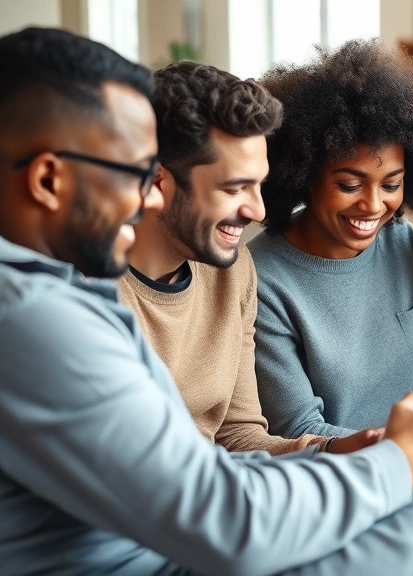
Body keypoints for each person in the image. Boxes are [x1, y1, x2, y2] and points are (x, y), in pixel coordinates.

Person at [0, 26, 413, 576]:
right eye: (135, 175)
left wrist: (339, 455)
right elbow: (221, 520)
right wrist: (395, 463)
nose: (151, 198)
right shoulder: (37, 319)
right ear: (50, 179)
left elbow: (221, 456)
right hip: (193, 556)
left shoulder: (64, 295)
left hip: (225, 527)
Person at [119, 60, 374, 455]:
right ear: (157, 182)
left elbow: (238, 436)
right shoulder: (85, 293)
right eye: (235, 188)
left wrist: (340, 450)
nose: (257, 210)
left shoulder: (232, 271)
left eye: (259, 185)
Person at [249, 40, 413, 439]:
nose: (373, 205)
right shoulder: (263, 279)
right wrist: (405, 445)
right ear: (305, 175)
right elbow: (300, 428)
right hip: (342, 478)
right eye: (350, 184)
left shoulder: (402, 242)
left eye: (392, 184)